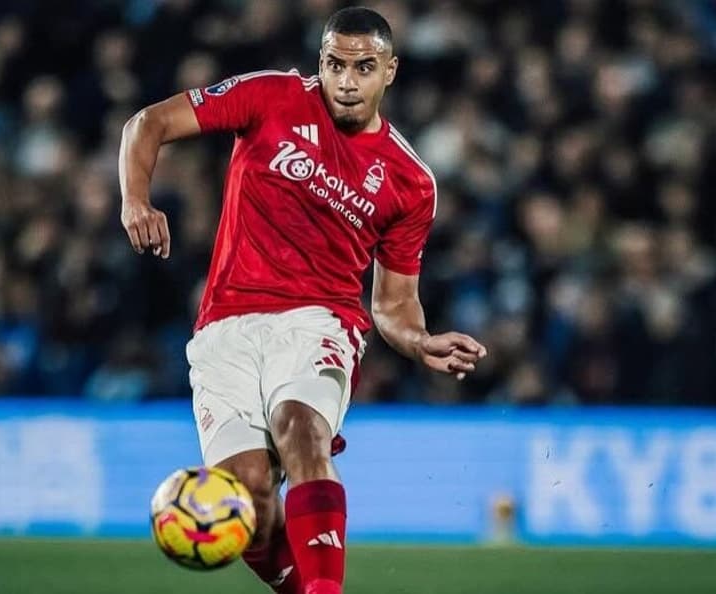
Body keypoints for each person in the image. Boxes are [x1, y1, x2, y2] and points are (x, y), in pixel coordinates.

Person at [118, 8, 487, 594]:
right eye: (336, 64)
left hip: (319, 321)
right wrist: (136, 200)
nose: (347, 80)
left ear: (389, 72)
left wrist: (418, 340)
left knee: (300, 426)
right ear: (321, 61)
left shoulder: (409, 182)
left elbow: (393, 304)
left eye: (364, 67)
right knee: (252, 503)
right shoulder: (271, 96)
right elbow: (148, 122)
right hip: (224, 326)